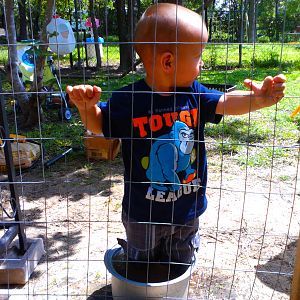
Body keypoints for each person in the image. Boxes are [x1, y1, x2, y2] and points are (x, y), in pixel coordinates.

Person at [67, 3, 286, 271]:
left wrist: (258, 100)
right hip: (142, 214)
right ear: (168, 61)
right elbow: (101, 125)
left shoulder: (193, 93)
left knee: (179, 263)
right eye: (198, 55)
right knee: (141, 266)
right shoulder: (129, 99)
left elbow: (226, 101)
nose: (202, 63)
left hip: (187, 209)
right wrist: (86, 108)